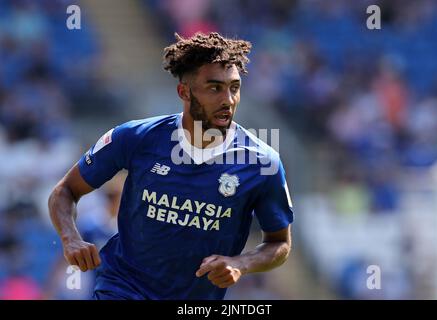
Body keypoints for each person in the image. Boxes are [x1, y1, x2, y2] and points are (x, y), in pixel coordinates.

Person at [48, 32, 294, 300]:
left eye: (234, 87)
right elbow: (65, 191)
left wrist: (241, 264)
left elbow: (279, 242)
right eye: (214, 88)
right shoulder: (135, 138)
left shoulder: (261, 162)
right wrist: (70, 237)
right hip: (123, 289)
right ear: (184, 91)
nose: (228, 100)